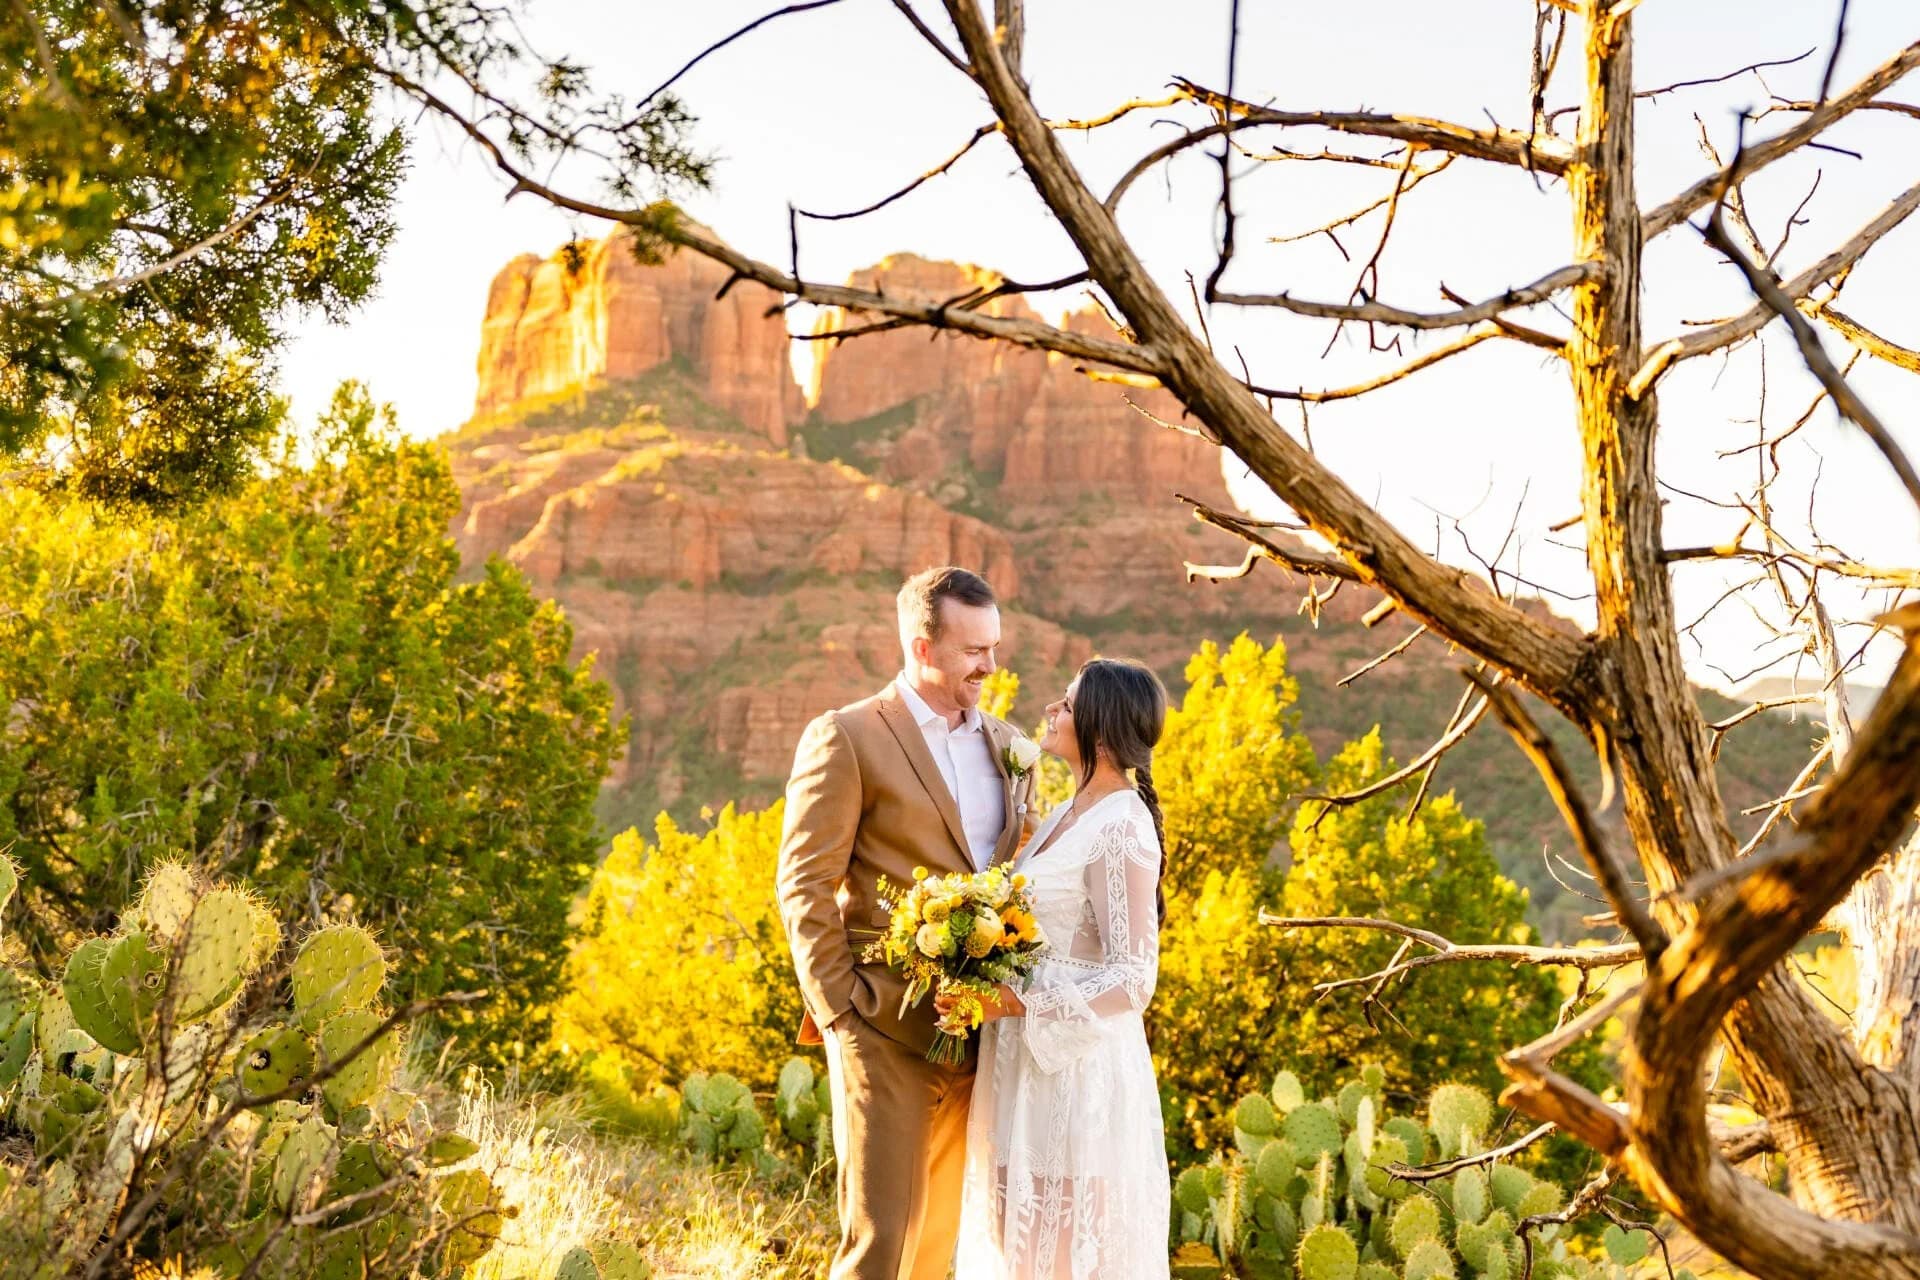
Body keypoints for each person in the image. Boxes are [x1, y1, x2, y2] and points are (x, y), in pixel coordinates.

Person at [777, 565, 1037, 1280]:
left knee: (936, 1249)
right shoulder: (849, 735)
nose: (990, 664)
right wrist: (840, 1010)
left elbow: (1023, 877)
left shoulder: (1010, 746)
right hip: (881, 1021)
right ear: (923, 648)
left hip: (979, 1033)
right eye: (972, 650)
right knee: (880, 1242)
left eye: (993, 646)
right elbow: (803, 880)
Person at [944, 657, 1172, 1280]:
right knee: (1009, 1247)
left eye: (1066, 705)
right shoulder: (1061, 818)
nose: (1050, 709)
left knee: (1058, 1260)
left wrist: (1016, 1004)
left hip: (1075, 1070)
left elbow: (1133, 977)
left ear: (1100, 728)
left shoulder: (1122, 825)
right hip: (1017, 1062)